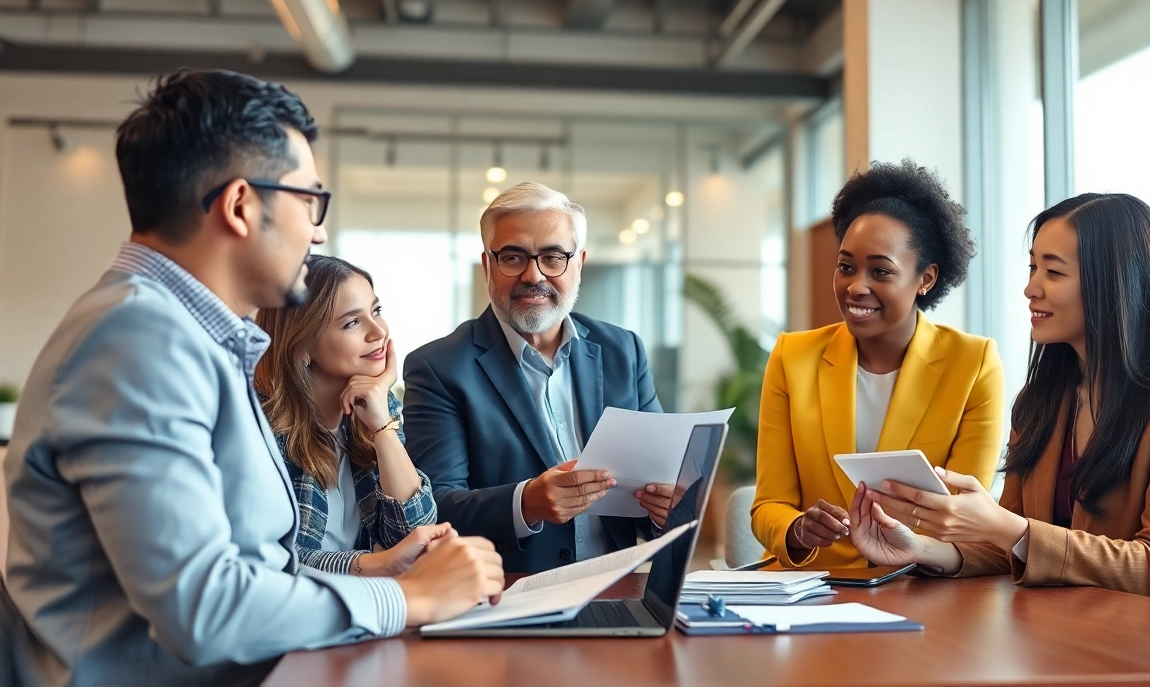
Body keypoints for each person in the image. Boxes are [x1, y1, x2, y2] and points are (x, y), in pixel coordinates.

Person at [2, 69, 504, 687]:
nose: (317, 230)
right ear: (241, 205)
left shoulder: (192, 336)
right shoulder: (139, 339)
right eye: (308, 201)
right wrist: (411, 599)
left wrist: (375, 572)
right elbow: (202, 609)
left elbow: (252, 565)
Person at [848, 193, 1150, 616]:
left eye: (1054, 271)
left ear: (1113, 282)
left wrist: (1007, 527)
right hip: (1079, 631)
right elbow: (1008, 549)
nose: (1031, 288)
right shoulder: (1040, 401)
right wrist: (920, 548)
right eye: (1032, 267)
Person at [403, 182, 670, 573]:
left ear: (578, 263)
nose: (533, 275)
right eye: (513, 257)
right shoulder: (439, 366)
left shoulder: (623, 351)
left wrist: (666, 507)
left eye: (552, 257)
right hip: (507, 595)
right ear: (487, 266)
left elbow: (660, 481)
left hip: (617, 589)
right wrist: (525, 503)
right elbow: (434, 507)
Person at [752, 160, 1004, 569]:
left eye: (880, 271)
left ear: (926, 278)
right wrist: (798, 530)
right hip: (810, 590)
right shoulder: (791, 358)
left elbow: (965, 516)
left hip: (917, 585)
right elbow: (768, 505)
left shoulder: (973, 364)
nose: (856, 286)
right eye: (846, 266)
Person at [255, 254, 443, 576]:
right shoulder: (260, 423)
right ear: (302, 345)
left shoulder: (377, 409)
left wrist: (382, 427)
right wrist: (374, 563)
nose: (378, 332)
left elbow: (416, 536)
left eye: (377, 311)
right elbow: (276, 558)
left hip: (368, 607)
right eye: (352, 322)